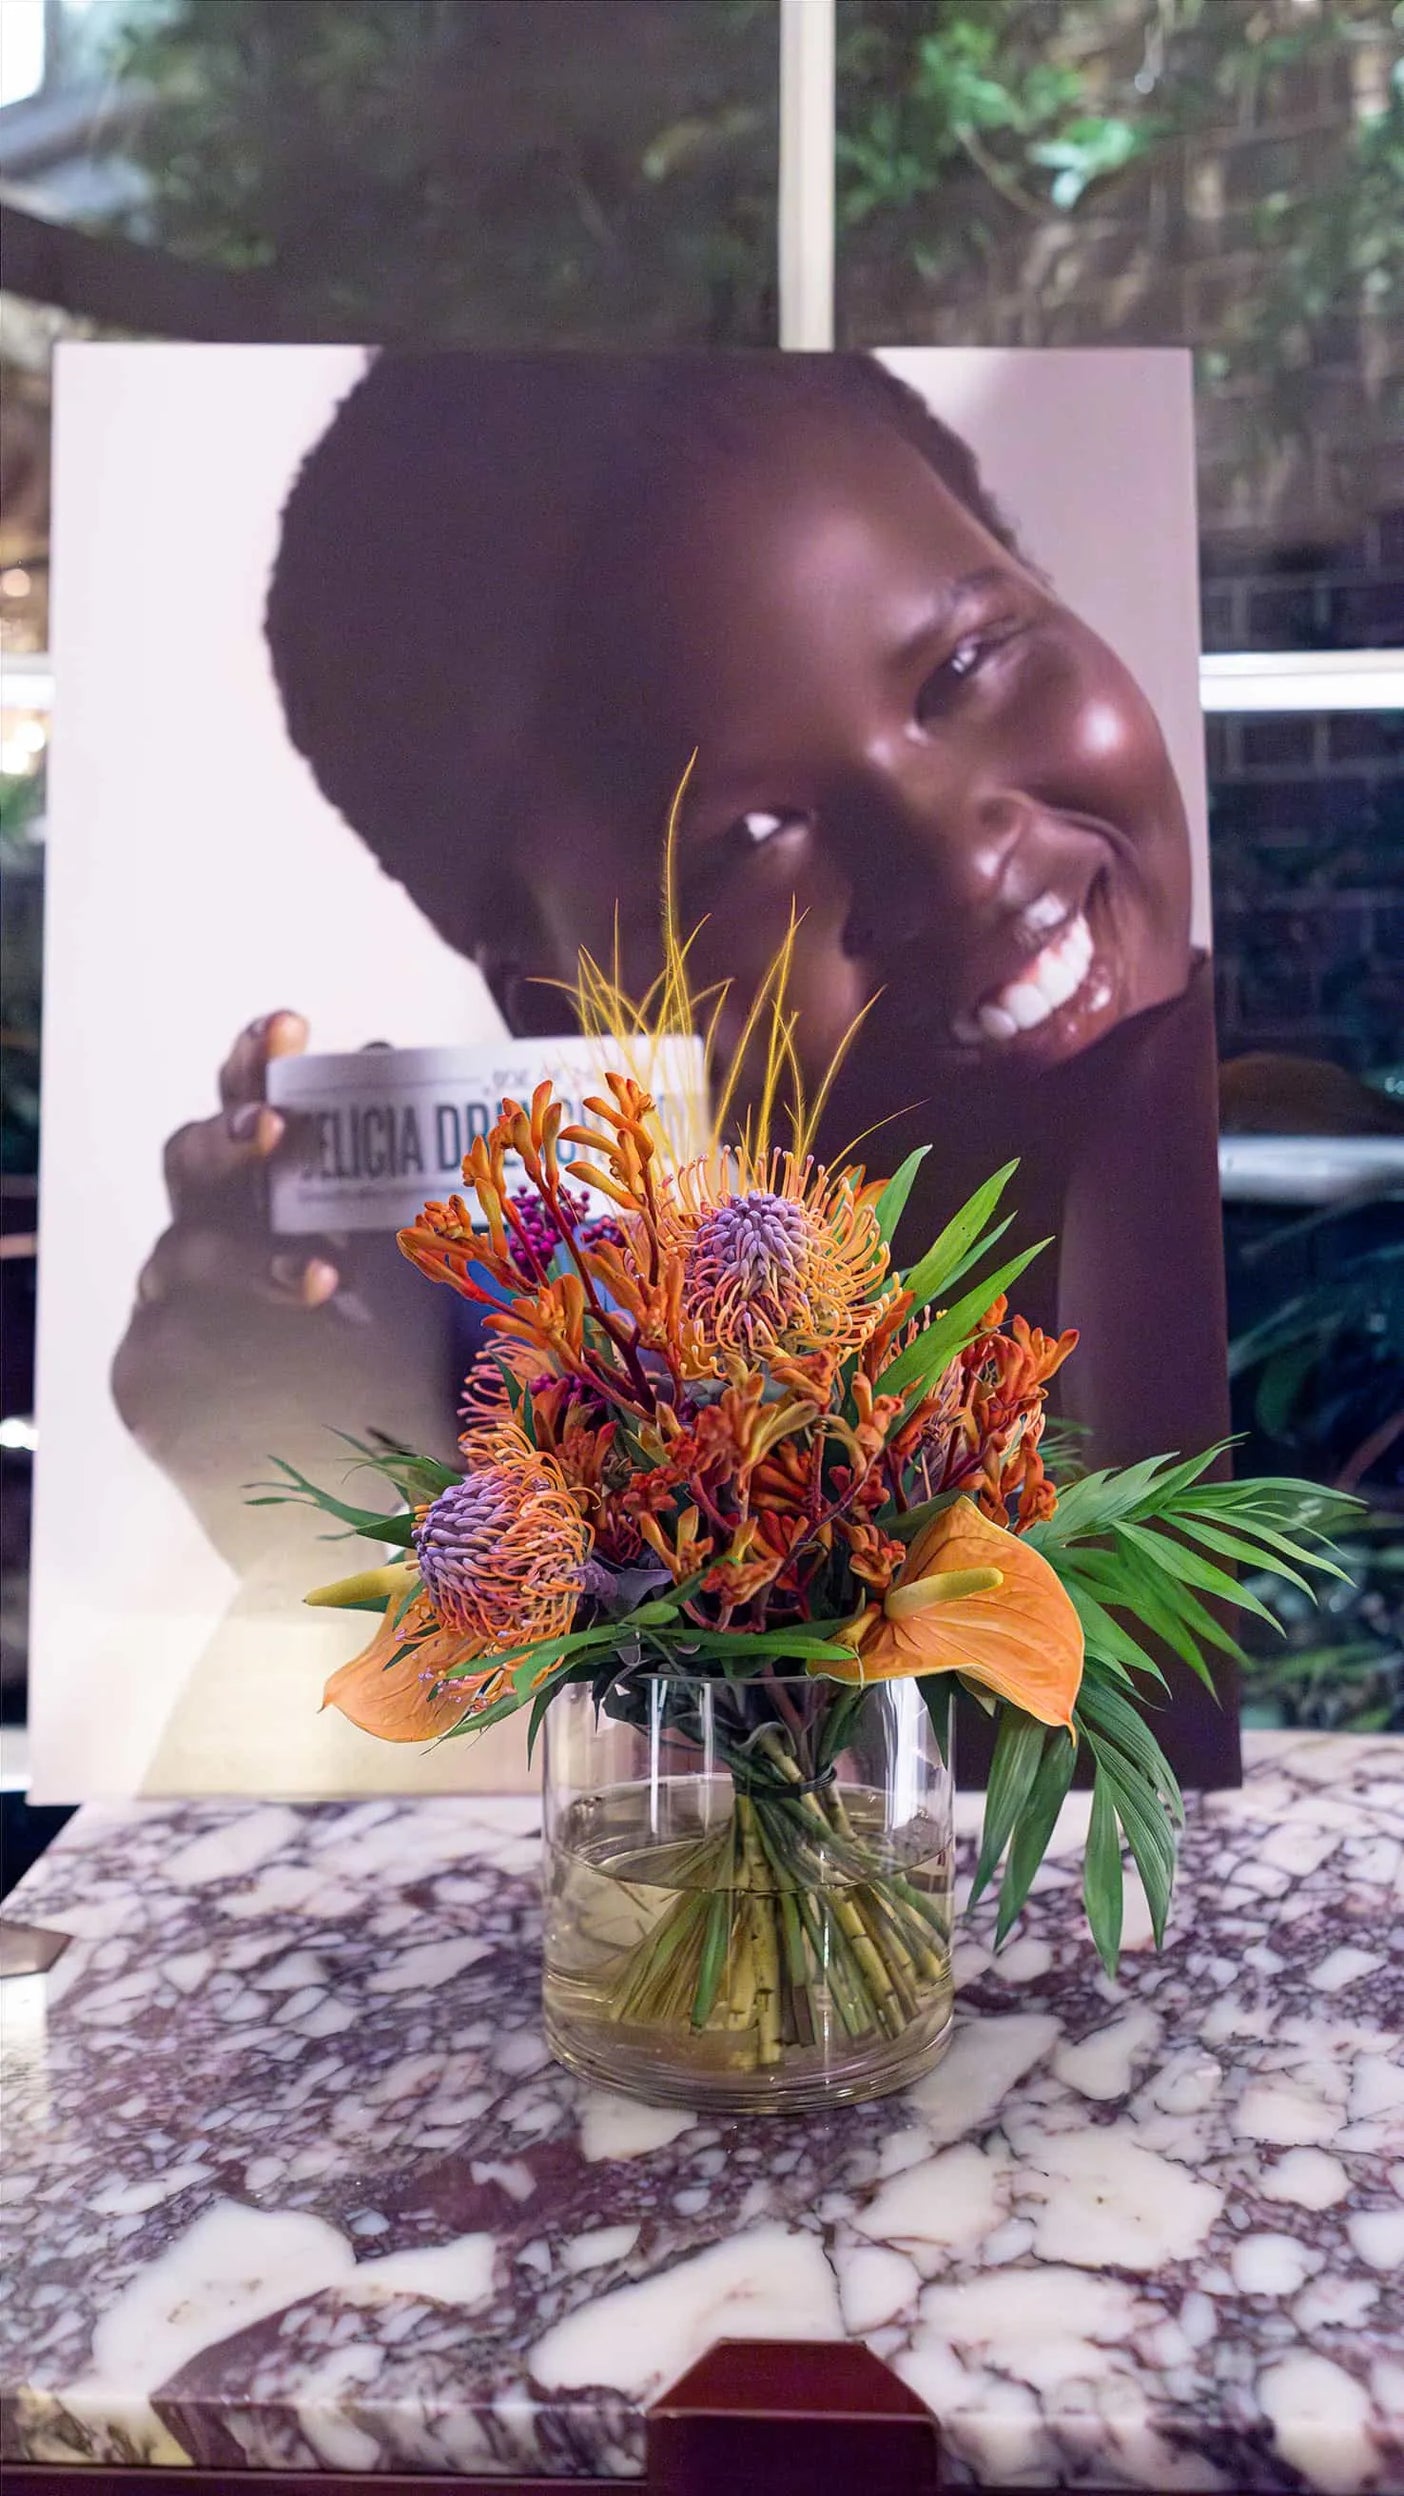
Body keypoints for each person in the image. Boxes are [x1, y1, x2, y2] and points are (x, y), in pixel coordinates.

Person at [112, 352, 1231, 1771]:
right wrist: (337, 1518)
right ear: (564, 1007)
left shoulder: (1331, 1240)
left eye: (964, 665)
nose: (959, 852)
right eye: (754, 840)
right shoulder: (604, 1465)